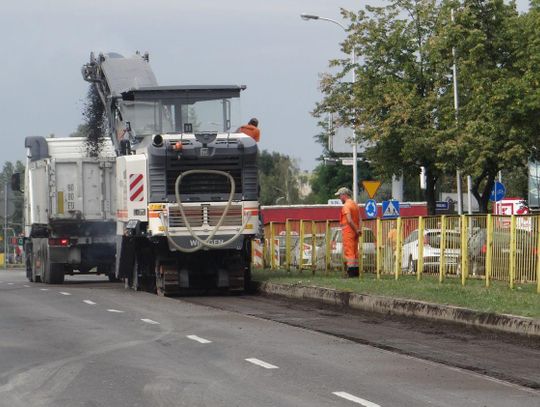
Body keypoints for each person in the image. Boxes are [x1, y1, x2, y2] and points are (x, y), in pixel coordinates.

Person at [335, 187, 361, 277]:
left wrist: (355, 229)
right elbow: (359, 219)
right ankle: (356, 272)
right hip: (355, 232)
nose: (339, 198)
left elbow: (349, 220)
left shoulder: (346, 206)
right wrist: (358, 230)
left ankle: (351, 273)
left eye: (340, 196)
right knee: (354, 252)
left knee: (349, 253)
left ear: (344, 195)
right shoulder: (355, 204)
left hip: (348, 231)